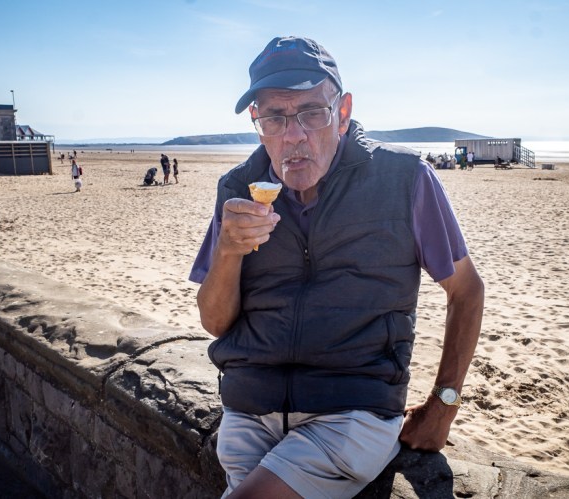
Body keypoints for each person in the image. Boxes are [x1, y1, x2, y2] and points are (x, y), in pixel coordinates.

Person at [189, 36, 484, 498]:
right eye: (274, 117)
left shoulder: (403, 179)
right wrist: (227, 253)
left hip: (351, 411)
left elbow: (466, 289)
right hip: (247, 410)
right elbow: (214, 321)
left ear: (343, 112)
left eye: (312, 112)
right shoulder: (238, 188)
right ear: (257, 122)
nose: (293, 135)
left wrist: (444, 404)